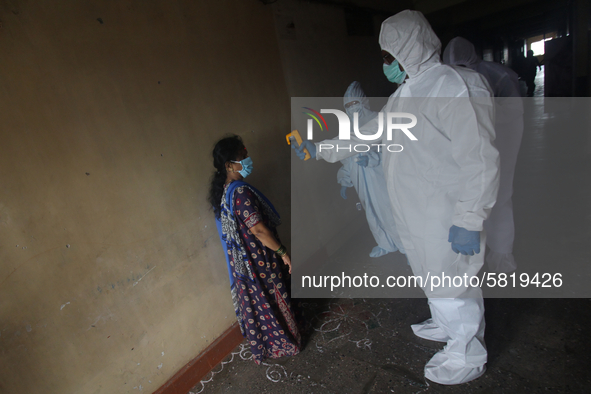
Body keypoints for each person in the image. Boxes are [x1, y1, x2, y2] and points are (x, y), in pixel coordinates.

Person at [295, 10, 499, 385]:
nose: (385, 63)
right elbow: (367, 134)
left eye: (389, 56)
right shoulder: (404, 95)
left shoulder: (454, 86)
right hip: (415, 211)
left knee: (454, 284)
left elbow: (481, 160)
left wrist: (471, 218)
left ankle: (467, 352)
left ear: (409, 48)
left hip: (445, 212)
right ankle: (444, 325)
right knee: (429, 274)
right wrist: (321, 148)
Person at [208, 135, 301, 364]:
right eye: (243, 157)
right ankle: (287, 341)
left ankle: (270, 345)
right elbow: (258, 230)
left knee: (261, 302)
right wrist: (284, 253)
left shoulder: (227, 190)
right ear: (229, 165)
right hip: (260, 259)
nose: (248, 160)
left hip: (246, 262)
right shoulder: (240, 192)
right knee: (273, 297)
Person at [443, 37, 524, 273]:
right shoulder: (448, 81)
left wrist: (483, 116)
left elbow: (514, 110)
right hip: (470, 140)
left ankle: (501, 255)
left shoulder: (499, 75)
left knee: (500, 193)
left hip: (503, 137)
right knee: (473, 191)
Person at [338, 81, 404, 257]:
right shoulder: (346, 130)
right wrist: (345, 180)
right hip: (361, 181)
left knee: (391, 212)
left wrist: (373, 159)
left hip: (380, 178)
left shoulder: (379, 120)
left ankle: (407, 248)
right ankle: (385, 244)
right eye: (348, 105)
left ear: (363, 101)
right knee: (372, 213)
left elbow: (394, 150)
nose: (353, 108)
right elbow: (345, 158)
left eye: (355, 103)